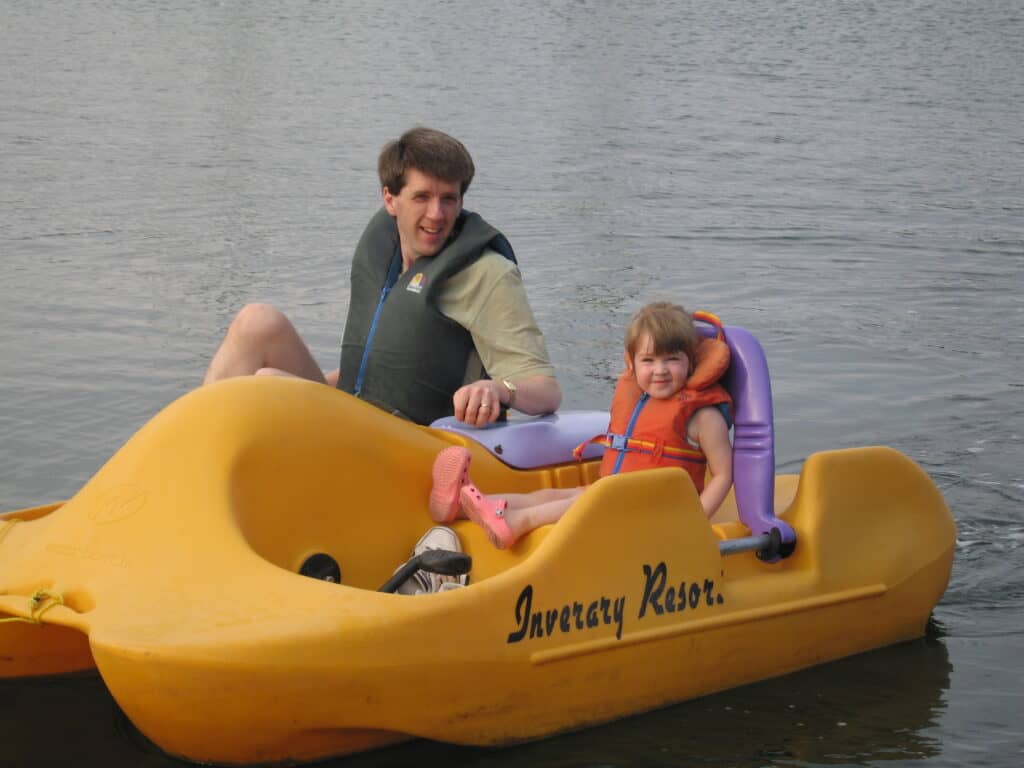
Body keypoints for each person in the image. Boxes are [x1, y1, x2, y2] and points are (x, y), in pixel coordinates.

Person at [203, 126, 561, 427]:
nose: (437, 214)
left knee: (267, 384)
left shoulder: (486, 274)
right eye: (422, 197)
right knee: (257, 321)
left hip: (414, 440)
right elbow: (378, 368)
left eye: (449, 199)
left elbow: (545, 389)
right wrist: (324, 385)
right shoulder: (384, 254)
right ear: (390, 200)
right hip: (356, 416)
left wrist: (500, 390)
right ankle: (186, 453)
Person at [428, 302, 734, 549]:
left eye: (672, 360)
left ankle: (516, 522)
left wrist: (695, 522)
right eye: (649, 361)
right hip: (622, 501)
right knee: (554, 497)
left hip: (660, 515)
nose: (660, 371)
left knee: (583, 502)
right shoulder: (640, 398)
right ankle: (469, 506)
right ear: (632, 364)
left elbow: (722, 474)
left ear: (690, 363)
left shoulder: (702, 416)